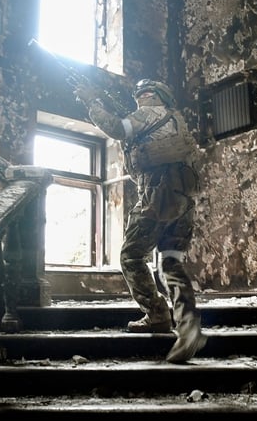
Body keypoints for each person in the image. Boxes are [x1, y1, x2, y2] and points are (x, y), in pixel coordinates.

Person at [74, 78, 206, 363]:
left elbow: (117, 129)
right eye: (140, 94)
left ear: (160, 96)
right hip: (182, 200)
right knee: (170, 262)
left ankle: (157, 313)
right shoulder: (176, 120)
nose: (142, 97)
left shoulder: (149, 113)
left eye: (147, 92)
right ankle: (188, 327)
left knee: (131, 256)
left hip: (158, 197)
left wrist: (91, 102)